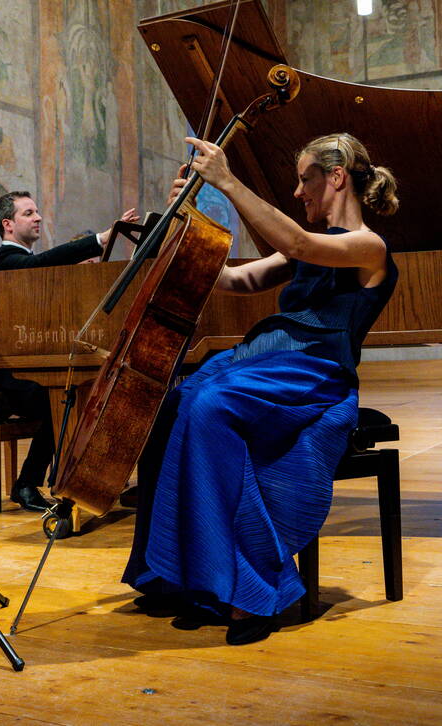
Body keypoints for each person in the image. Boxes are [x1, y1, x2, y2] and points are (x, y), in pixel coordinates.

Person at [123, 132, 400, 645]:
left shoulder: (367, 246)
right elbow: (237, 281)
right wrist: (184, 225)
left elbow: (296, 241)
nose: (299, 192)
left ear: (335, 177)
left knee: (209, 404)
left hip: (315, 370)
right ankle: (176, 573)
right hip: (268, 359)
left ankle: (249, 589)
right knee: (172, 401)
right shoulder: (313, 250)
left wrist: (227, 180)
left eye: (304, 179)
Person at [0, 191, 137, 511]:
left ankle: (81, 478)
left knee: (86, 392)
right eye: (28, 213)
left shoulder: (24, 263)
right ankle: (30, 482)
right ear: (8, 224)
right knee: (66, 398)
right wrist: (100, 239)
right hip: (11, 373)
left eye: (37, 211)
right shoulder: (8, 260)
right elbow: (39, 263)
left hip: (30, 365)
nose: (38, 217)